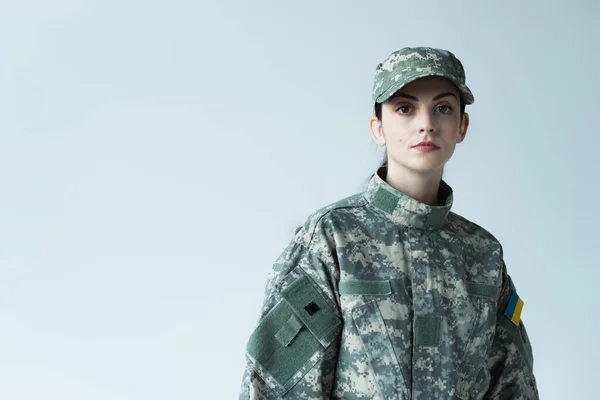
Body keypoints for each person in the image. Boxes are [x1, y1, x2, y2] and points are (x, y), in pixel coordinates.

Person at [238, 46, 539, 399]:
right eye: (405, 108)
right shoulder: (333, 239)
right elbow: (275, 387)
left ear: (462, 126)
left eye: (443, 108)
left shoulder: (483, 254)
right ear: (378, 128)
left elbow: (514, 387)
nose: (425, 123)